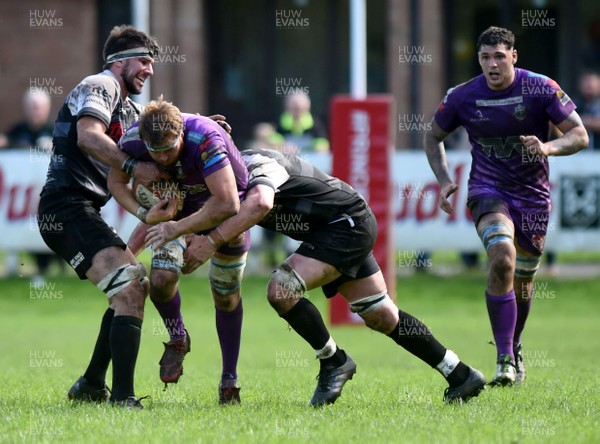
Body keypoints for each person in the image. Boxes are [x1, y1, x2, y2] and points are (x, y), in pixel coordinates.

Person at [149, 147, 488, 406]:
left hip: (346, 223)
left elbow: (259, 205)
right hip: (336, 227)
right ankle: (460, 374)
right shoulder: (219, 180)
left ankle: (334, 361)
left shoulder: (255, 166)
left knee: (281, 289)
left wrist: (210, 242)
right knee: (382, 316)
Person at [423, 26, 588, 386]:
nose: (492, 64)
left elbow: (580, 135)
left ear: (514, 56)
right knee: (502, 258)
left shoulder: (541, 87)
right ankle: (503, 360)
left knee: (524, 282)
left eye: (499, 56)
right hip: (487, 189)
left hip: (533, 195)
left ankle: (513, 347)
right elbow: (433, 135)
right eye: (485, 57)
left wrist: (547, 147)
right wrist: (444, 180)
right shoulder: (463, 96)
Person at [37, 25, 164, 409]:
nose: (150, 70)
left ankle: (92, 384)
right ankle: (123, 399)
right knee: (129, 287)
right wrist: (131, 165)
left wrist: (203, 125)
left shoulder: (129, 107)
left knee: (133, 286)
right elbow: (88, 137)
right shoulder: (101, 84)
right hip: (64, 208)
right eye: (144, 61)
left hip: (82, 209)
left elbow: (161, 127)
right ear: (119, 62)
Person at [109, 97, 250, 404]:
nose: (161, 159)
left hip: (226, 217)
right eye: (154, 152)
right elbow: (116, 180)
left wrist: (202, 239)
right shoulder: (133, 140)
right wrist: (145, 215)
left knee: (226, 297)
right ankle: (177, 337)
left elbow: (228, 203)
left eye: (169, 150)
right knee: (159, 281)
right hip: (176, 213)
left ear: (182, 136)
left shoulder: (205, 138)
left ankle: (229, 379)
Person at [1, 88, 62, 281]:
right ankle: (15, 266)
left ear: (46, 108)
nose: (34, 111)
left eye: (37, 107)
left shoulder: (55, 130)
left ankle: (59, 266)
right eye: (31, 107)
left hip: (48, 194)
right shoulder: (17, 131)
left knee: (53, 228)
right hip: (22, 199)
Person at [574, 71, 600, 150]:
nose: (589, 90)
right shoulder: (573, 104)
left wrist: (581, 121)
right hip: (576, 154)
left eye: (591, 87)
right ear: (580, 86)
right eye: (587, 86)